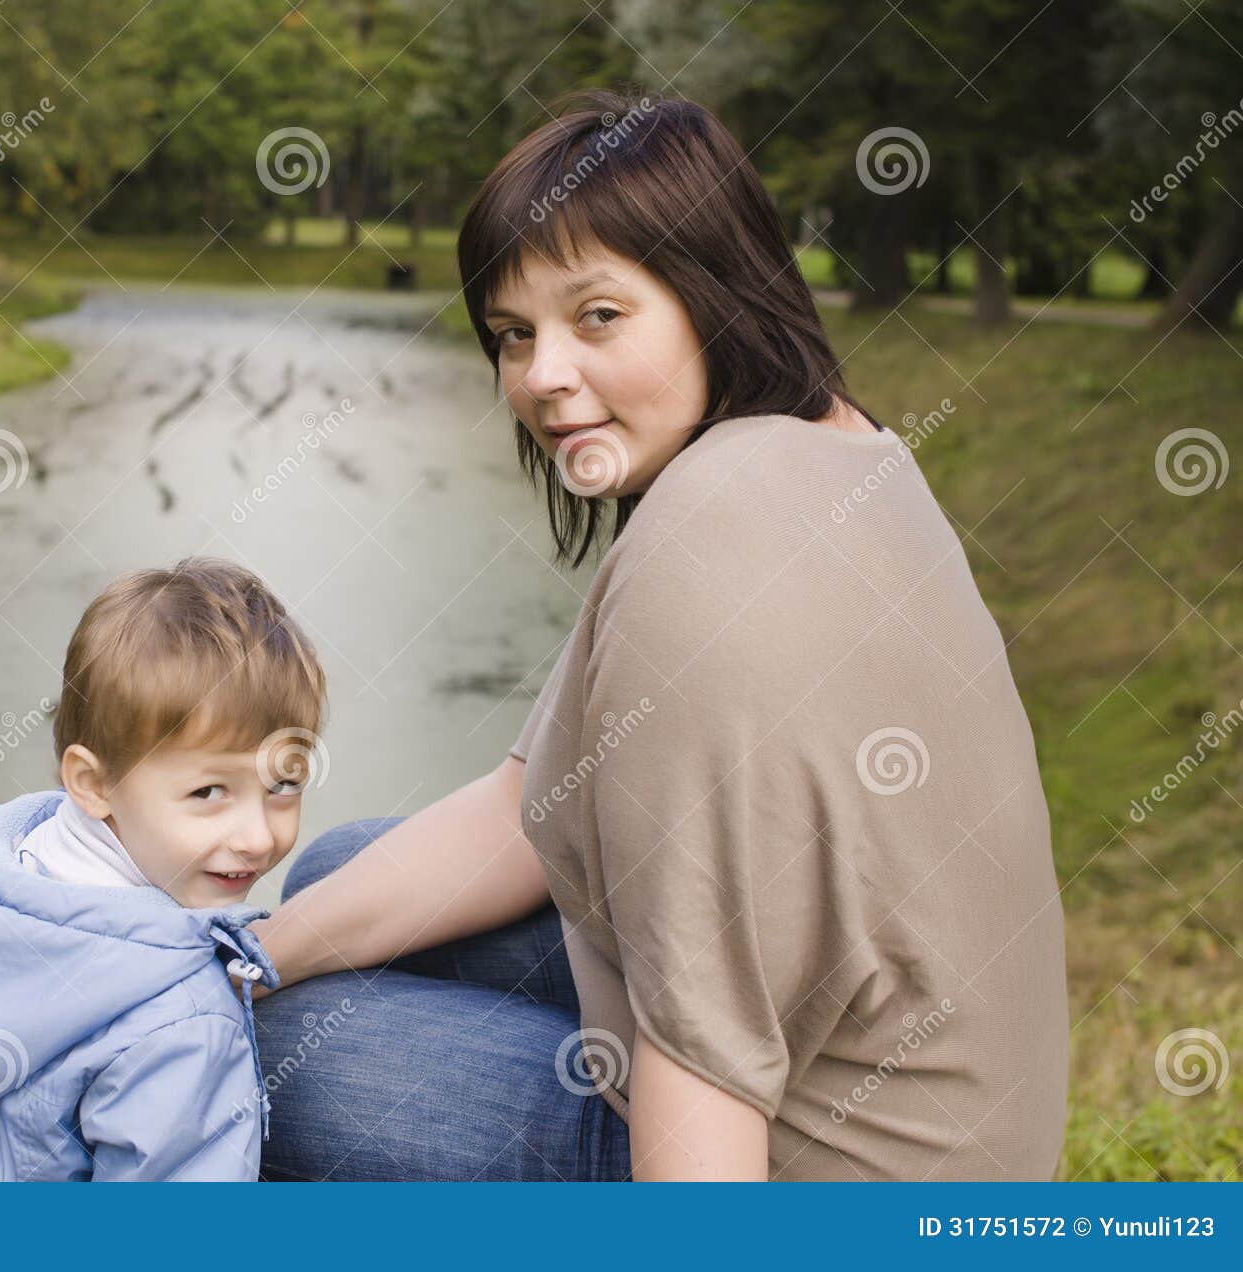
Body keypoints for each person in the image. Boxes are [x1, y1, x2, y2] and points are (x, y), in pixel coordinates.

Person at [246, 89, 1067, 1182]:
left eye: (597, 317)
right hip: (957, 1099)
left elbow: (706, 1054)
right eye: (512, 335)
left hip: (834, 1178)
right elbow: (520, 807)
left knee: (284, 1053)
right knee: (337, 882)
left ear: (713, 295)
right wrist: (238, 960)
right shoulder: (833, 446)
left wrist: (240, 1010)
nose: (542, 377)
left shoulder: (705, 556)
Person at [0, 557, 326, 1181]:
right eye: (208, 794)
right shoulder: (182, 1018)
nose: (257, 837)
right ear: (93, 784)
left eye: (284, 785)